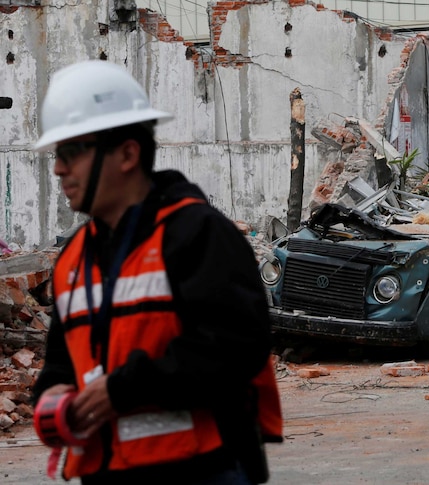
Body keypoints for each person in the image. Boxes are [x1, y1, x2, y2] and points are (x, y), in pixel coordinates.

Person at [30, 60, 283, 484]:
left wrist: (121, 390)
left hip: (203, 468)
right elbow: (62, 360)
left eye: (72, 152)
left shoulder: (196, 233)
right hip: (106, 471)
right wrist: (52, 395)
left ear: (128, 153)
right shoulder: (75, 257)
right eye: (58, 154)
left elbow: (235, 347)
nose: (59, 169)